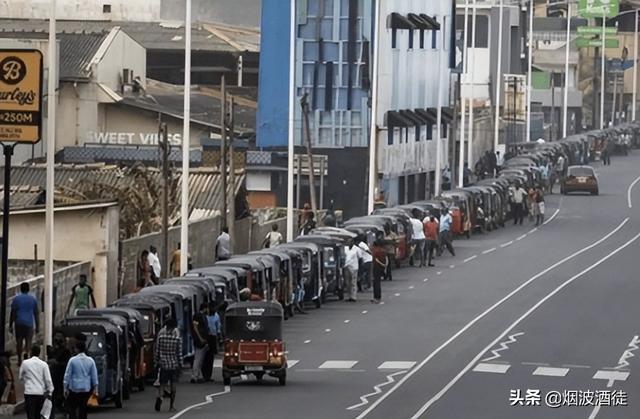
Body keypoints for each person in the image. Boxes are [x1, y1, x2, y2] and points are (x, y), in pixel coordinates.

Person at [63, 340, 98, 419]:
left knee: (72, 408)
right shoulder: (91, 361)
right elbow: (94, 376)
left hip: (74, 388)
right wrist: (96, 388)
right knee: (83, 409)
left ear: (77, 349)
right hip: (86, 388)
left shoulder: (72, 360)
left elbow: (67, 375)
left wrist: (65, 388)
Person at [154, 318, 182, 412]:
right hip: (173, 365)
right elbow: (179, 354)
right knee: (173, 387)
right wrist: (180, 364)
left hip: (163, 365)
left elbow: (157, 352)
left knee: (162, 384)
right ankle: (171, 406)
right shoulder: (177, 340)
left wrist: (157, 362)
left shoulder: (161, 338)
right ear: (174, 328)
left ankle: (160, 397)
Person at [19, 345, 53, 419]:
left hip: (29, 392)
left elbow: (20, 377)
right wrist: (50, 392)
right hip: (40, 393)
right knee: (38, 414)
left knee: (30, 414)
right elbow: (48, 380)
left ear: (31, 352)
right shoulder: (44, 364)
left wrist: (26, 382)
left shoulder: (25, 363)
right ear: (39, 353)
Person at [10, 282, 39, 365]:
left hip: (19, 322)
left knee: (19, 341)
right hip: (29, 323)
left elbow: (13, 312)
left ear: (21, 289)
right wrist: (37, 326)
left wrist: (10, 325)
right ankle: (27, 355)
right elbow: (36, 313)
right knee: (28, 341)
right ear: (28, 289)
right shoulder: (32, 299)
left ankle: (19, 359)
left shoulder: (16, 299)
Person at [47, 332, 71, 416]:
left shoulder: (66, 351)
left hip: (62, 376)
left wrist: (57, 363)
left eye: (59, 339)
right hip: (54, 377)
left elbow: (66, 363)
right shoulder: (53, 350)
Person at [191, 304, 210, 383]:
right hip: (199, 340)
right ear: (205, 308)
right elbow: (195, 327)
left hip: (203, 339)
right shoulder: (198, 316)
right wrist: (200, 338)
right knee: (198, 358)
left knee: (201, 359)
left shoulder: (203, 316)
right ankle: (194, 376)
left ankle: (199, 375)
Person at [202, 303, 221, 382]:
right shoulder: (204, 316)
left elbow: (218, 326)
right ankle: (203, 374)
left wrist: (219, 336)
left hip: (213, 337)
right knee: (204, 356)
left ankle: (208, 375)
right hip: (206, 336)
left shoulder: (216, 316)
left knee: (211, 357)